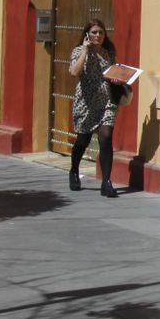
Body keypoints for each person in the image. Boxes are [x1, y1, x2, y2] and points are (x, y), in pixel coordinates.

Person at [67, 19, 120, 197]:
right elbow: (74, 72)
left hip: (107, 101)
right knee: (83, 139)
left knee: (106, 136)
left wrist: (118, 78)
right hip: (86, 102)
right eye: (94, 32)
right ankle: (74, 170)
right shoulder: (78, 51)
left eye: (101, 32)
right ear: (87, 34)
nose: (98, 35)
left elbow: (113, 72)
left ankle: (106, 182)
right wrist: (85, 50)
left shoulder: (108, 52)